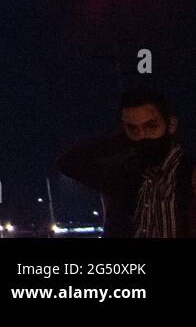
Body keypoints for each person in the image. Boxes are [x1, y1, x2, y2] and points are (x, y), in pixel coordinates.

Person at [58, 87, 196, 238]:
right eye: (133, 129)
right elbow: (68, 163)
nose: (142, 136)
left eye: (151, 126)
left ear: (171, 125)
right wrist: (121, 139)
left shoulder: (188, 174)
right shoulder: (125, 173)